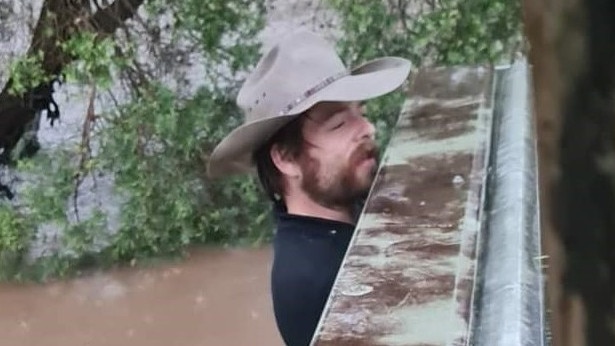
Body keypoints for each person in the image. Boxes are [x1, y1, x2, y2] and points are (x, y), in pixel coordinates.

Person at [207, 30, 411, 346]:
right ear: (286, 158)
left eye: (363, 113)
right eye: (339, 125)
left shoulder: (344, 207)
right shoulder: (314, 282)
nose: (367, 129)